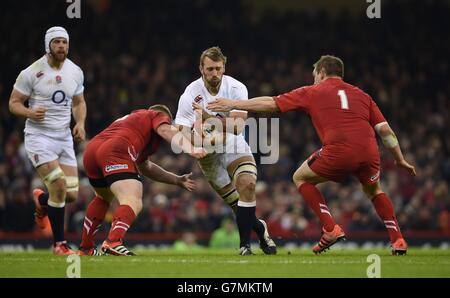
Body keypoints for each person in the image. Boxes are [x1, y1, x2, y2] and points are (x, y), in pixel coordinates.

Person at [207, 55, 417, 255]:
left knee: (300, 177)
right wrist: (399, 159)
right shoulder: (363, 95)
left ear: (322, 72)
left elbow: (272, 103)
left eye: (314, 74)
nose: (314, 78)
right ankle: (398, 239)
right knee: (374, 190)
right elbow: (385, 131)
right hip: (370, 151)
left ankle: (330, 228)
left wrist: (234, 104)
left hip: (339, 150)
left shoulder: (313, 91)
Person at [175, 46, 277, 255]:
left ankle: (244, 246)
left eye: (218, 69)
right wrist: (194, 144)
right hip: (207, 154)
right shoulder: (190, 93)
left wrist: (206, 117)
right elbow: (181, 129)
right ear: (201, 69)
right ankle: (260, 227)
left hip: (233, 142)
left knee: (247, 185)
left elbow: (238, 127)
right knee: (237, 205)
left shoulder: (236, 88)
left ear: (224, 67)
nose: (214, 74)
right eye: (210, 69)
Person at [78, 104, 206, 256]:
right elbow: (165, 130)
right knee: (132, 199)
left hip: (92, 150)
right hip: (117, 148)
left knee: (103, 197)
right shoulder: (156, 115)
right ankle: (113, 241)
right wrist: (191, 148)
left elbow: (146, 167)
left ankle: (86, 248)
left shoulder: (135, 125)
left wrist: (176, 180)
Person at [8, 26, 87, 255]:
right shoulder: (31, 72)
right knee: (59, 186)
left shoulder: (75, 71)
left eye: (64, 42)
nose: (61, 46)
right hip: (39, 137)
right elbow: (13, 103)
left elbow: (79, 102)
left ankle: (41, 201)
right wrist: (30, 113)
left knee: (70, 194)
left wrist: (80, 123)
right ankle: (59, 245)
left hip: (63, 137)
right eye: (57, 42)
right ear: (48, 45)